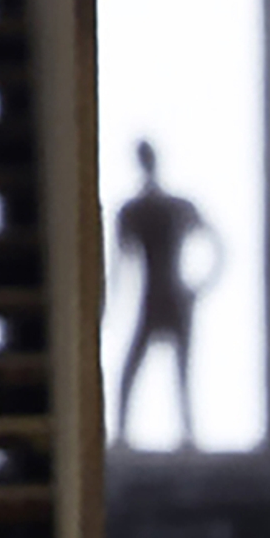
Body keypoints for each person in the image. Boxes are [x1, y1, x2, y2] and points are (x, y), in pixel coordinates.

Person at [109, 141, 222, 448]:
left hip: (172, 297)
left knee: (180, 372)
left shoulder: (170, 207)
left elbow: (217, 246)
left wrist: (200, 286)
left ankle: (186, 435)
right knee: (137, 370)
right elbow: (119, 265)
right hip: (160, 298)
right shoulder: (135, 211)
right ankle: (125, 435)